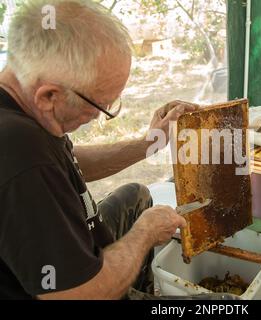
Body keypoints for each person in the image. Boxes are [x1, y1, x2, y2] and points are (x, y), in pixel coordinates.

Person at [0, 0, 202, 300]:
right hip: (81, 290)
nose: (101, 115)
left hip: (76, 246)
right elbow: (75, 296)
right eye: (100, 105)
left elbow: (66, 161)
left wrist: (150, 144)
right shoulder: (20, 153)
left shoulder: (25, 110)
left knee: (136, 195)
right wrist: (143, 234)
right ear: (48, 96)